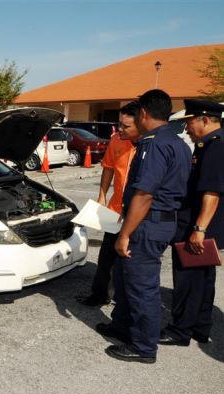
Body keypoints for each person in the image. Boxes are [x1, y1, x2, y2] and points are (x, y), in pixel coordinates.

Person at [98, 89, 191, 363]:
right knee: (126, 280)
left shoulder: (154, 144)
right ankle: (122, 326)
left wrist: (124, 234)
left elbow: (144, 194)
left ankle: (143, 346)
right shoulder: (178, 143)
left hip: (147, 224)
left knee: (142, 287)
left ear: (144, 113)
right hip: (158, 222)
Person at [159, 99, 224, 346]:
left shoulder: (215, 146)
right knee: (203, 278)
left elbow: (212, 191)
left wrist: (198, 229)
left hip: (197, 225)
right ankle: (200, 326)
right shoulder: (209, 144)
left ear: (205, 120)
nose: (186, 128)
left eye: (190, 122)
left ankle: (180, 330)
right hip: (204, 225)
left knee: (188, 280)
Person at [76, 102, 139, 306]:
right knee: (106, 257)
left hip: (138, 213)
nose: (119, 129)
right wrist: (102, 195)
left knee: (131, 260)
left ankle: (124, 299)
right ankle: (99, 294)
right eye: (118, 124)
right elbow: (108, 168)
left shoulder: (150, 146)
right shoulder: (116, 141)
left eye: (125, 125)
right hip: (116, 210)